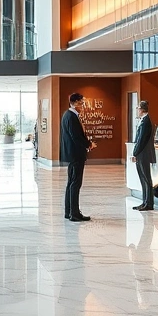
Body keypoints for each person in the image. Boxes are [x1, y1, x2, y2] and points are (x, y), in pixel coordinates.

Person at [60, 92, 95, 222]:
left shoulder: (69, 115)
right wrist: (88, 144)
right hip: (75, 154)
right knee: (75, 183)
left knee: (71, 183)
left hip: (73, 154)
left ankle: (69, 211)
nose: (82, 106)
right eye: (80, 103)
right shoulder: (71, 116)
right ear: (74, 103)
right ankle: (74, 213)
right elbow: (76, 136)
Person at [131, 100, 157, 212]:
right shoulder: (144, 120)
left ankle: (148, 203)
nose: (137, 111)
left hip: (144, 154)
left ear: (141, 109)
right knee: (143, 178)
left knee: (146, 178)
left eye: (138, 108)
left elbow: (141, 140)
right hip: (142, 154)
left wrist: (135, 153)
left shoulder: (146, 121)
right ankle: (145, 201)